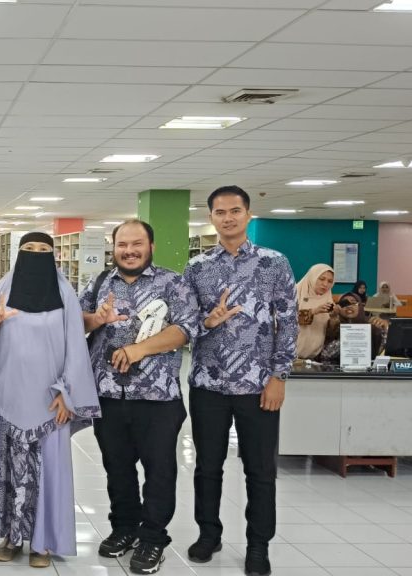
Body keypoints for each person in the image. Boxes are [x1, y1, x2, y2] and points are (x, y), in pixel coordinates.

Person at [183, 186, 298, 576]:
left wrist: (279, 376)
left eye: (235, 211)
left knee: (260, 470)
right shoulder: (197, 267)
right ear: (211, 218)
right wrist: (208, 321)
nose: (228, 218)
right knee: (207, 467)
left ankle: (258, 545)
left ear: (248, 214)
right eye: (220, 212)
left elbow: (288, 322)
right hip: (208, 385)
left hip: (259, 385)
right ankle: (208, 534)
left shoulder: (274, 263)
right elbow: (184, 325)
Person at [0, 232, 100, 569]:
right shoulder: (4, 287)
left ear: (53, 256)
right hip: (7, 396)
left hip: (50, 401)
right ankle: (11, 537)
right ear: (19, 253)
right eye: (29, 249)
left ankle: (43, 542)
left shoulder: (64, 293)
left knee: (48, 470)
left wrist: (67, 392)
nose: (36, 254)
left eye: (44, 249)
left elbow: (76, 346)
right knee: (9, 469)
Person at [80, 220, 199, 575]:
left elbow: (185, 329)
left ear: (151, 247)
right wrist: (95, 319)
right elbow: (76, 323)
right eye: (122, 245)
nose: (129, 251)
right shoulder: (99, 283)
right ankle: (124, 527)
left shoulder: (172, 283)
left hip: (157, 397)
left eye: (137, 244)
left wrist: (138, 350)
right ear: (113, 247)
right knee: (117, 467)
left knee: (159, 470)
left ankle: (153, 537)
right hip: (108, 394)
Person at [317, 292, 389, 363]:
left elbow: (382, 351)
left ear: (360, 307)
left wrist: (385, 329)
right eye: (344, 303)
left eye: (354, 303)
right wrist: (349, 337)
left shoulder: (371, 325)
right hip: (335, 368)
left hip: (366, 368)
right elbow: (325, 355)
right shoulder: (333, 325)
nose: (349, 306)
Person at [295, 264, 335, 359]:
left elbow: (330, 333)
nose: (325, 284)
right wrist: (312, 312)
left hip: (314, 358)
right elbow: (284, 320)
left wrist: (336, 317)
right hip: (286, 357)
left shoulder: (328, 300)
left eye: (330, 281)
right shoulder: (293, 293)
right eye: (322, 279)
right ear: (312, 277)